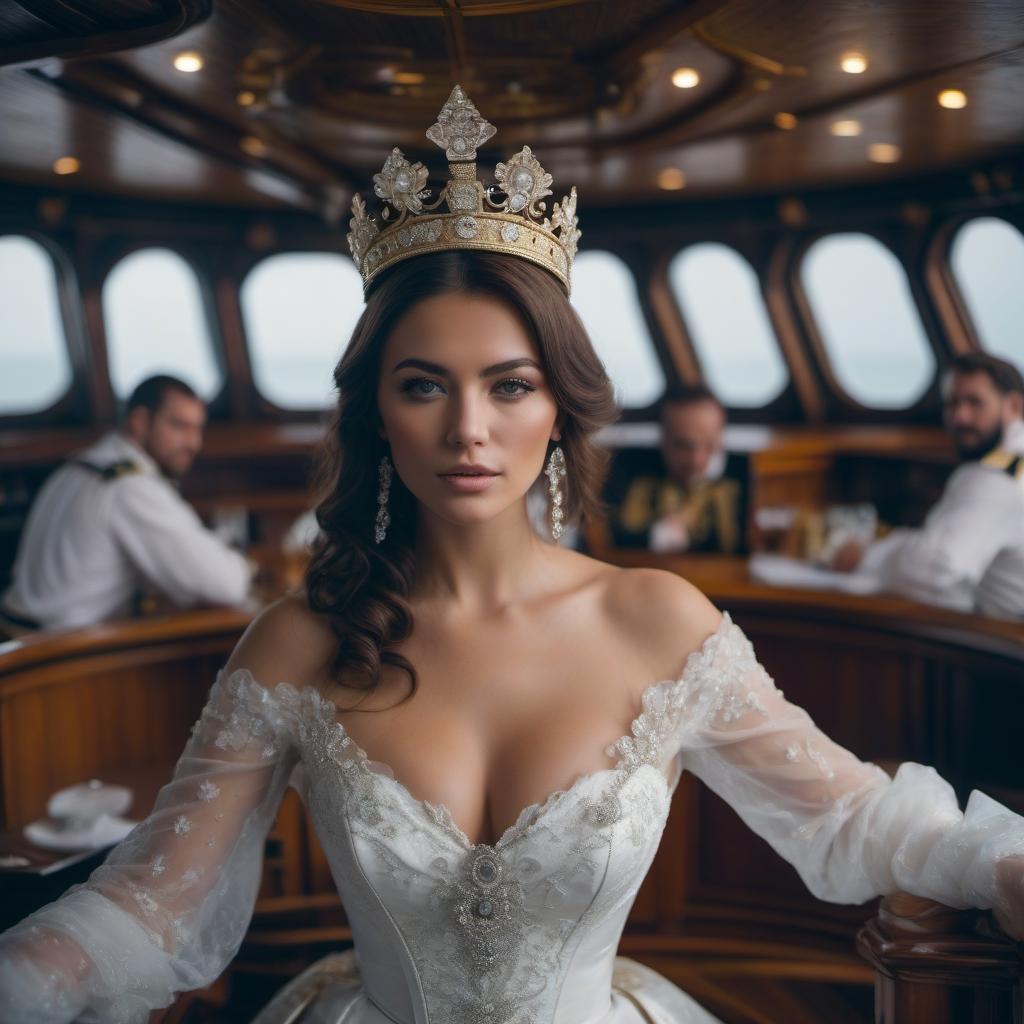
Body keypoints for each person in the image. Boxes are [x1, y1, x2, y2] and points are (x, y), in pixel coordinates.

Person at [2, 88, 1024, 1024]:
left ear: (557, 405)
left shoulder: (658, 622)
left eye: (508, 384)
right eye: (423, 385)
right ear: (379, 416)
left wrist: (1000, 860)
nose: (468, 432)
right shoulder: (295, 644)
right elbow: (150, 903)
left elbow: (849, 816)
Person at [0, 374, 254, 633]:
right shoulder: (131, 487)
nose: (193, 443)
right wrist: (248, 566)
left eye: (198, 429)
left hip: (14, 632)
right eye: (179, 426)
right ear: (140, 421)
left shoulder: (81, 466)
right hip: (54, 653)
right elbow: (226, 585)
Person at [833, 352, 1024, 617]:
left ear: (1013, 407)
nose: (960, 417)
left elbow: (938, 569)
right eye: (952, 404)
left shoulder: (995, 477)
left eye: (974, 403)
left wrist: (867, 557)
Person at [607, 386, 748, 554]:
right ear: (664, 437)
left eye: (709, 445)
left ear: (721, 434)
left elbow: (743, 548)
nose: (697, 460)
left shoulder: (743, 469)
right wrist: (659, 534)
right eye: (683, 446)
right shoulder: (630, 464)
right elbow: (605, 539)